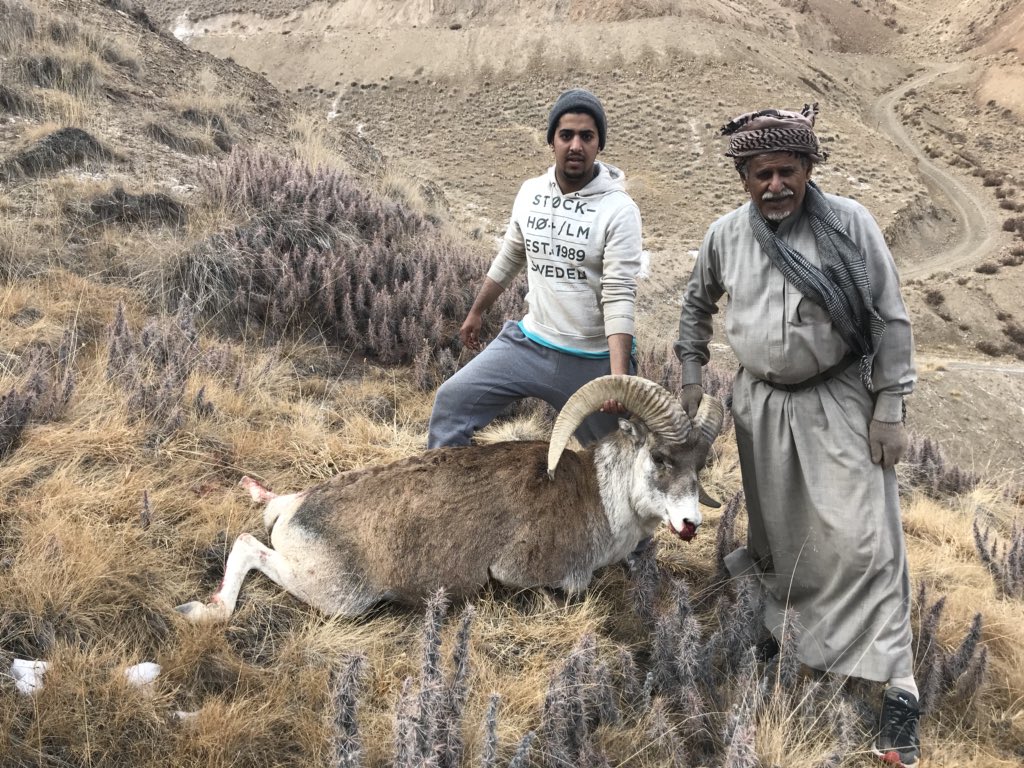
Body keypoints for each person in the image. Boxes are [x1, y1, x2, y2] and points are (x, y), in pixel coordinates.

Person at [674, 105, 920, 767]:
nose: (775, 185)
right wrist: (693, 375)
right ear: (744, 176)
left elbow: (890, 319)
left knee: (865, 538)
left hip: (839, 398)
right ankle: (795, 644)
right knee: (785, 544)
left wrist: (890, 404)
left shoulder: (850, 224)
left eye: (787, 171)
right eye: (761, 174)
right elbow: (695, 304)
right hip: (760, 405)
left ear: (809, 169)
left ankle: (896, 686)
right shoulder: (726, 235)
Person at [428, 88, 643, 448]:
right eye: (566, 135)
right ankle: (446, 499)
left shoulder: (619, 210)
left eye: (586, 136)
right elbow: (512, 253)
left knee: (614, 460)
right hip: (530, 343)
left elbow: (619, 293)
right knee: (452, 402)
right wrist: (478, 311)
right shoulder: (530, 192)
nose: (576, 145)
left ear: (599, 145)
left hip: (592, 361)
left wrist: (618, 379)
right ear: (551, 141)